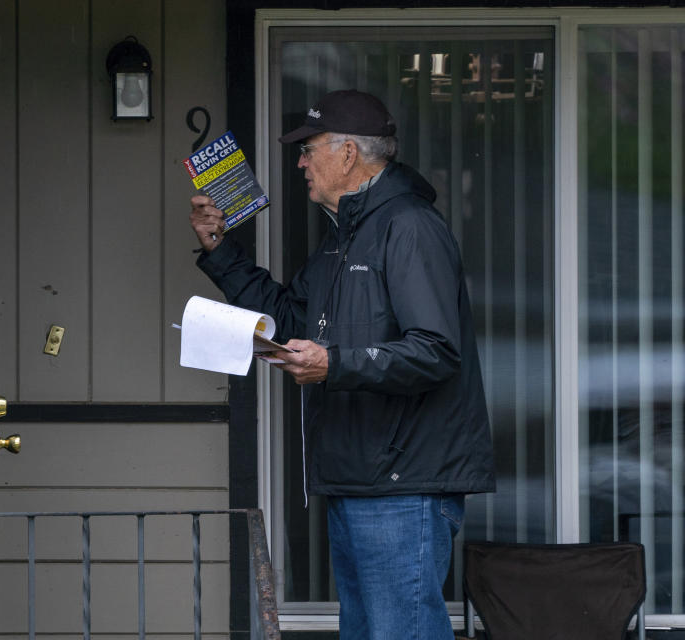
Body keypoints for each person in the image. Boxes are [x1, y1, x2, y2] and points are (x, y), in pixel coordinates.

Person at [189, 90, 495, 640]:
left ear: (348, 153)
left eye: (308, 150)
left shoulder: (409, 227)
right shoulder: (344, 236)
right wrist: (220, 251)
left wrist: (335, 364)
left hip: (404, 486)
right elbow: (288, 314)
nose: (301, 163)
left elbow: (436, 350)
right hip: (359, 481)